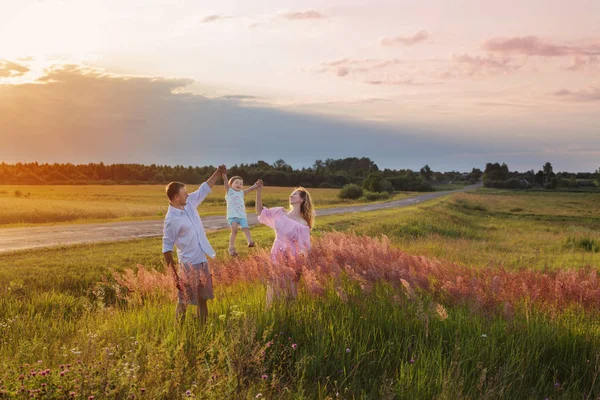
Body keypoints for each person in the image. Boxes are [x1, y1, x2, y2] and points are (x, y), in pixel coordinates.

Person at [162, 165, 225, 324]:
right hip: (188, 265)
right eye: (184, 193)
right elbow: (166, 249)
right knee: (184, 301)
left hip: (202, 260)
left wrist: (218, 173)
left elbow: (204, 189)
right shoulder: (171, 221)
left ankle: (202, 328)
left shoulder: (188, 203)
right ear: (176, 197)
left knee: (203, 299)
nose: (188, 195)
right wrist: (175, 276)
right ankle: (178, 330)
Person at [255, 179, 315, 304]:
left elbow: (305, 249)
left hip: (290, 256)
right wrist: (258, 191)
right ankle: (273, 312)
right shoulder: (279, 212)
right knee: (273, 283)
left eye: (294, 194)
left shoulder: (302, 225)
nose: (290, 196)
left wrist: (299, 267)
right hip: (276, 252)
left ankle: (289, 315)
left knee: (289, 288)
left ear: (302, 200)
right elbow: (260, 211)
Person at [222, 173, 261, 257]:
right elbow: (225, 182)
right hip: (232, 216)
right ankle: (231, 248)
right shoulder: (229, 192)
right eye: (236, 182)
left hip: (242, 216)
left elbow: (250, 189)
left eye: (241, 183)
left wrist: (256, 185)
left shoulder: (241, 193)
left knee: (246, 228)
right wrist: (224, 175)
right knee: (234, 230)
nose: (239, 185)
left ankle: (250, 241)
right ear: (231, 184)